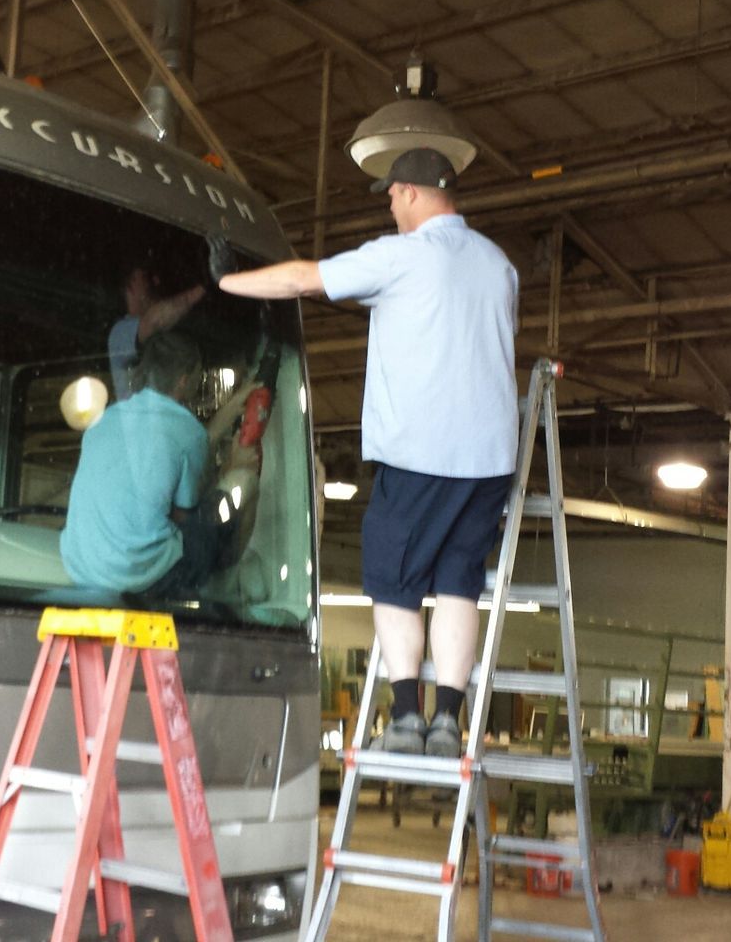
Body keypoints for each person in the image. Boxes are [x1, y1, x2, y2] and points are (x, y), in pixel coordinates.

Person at [217, 146, 518, 757]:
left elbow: (303, 278)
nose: (387, 201)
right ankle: (449, 723)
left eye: (390, 192)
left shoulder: (402, 256)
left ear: (410, 192)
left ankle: (408, 717)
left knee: (393, 582)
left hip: (420, 452)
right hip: (490, 458)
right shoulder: (498, 264)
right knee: (459, 583)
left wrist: (223, 280)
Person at [61, 330, 218, 596]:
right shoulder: (191, 432)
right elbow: (184, 515)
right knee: (217, 522)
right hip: (137, 578)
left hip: (80, 568)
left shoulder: (103, 419)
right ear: (183, 380)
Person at [109, 266, 205, 401]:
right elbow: (155, 320)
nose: (155, 281)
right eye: (146, 277)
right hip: (139, 419)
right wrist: (203, 288)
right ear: (130, 287)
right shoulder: (120, 333)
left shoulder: (160, 332)